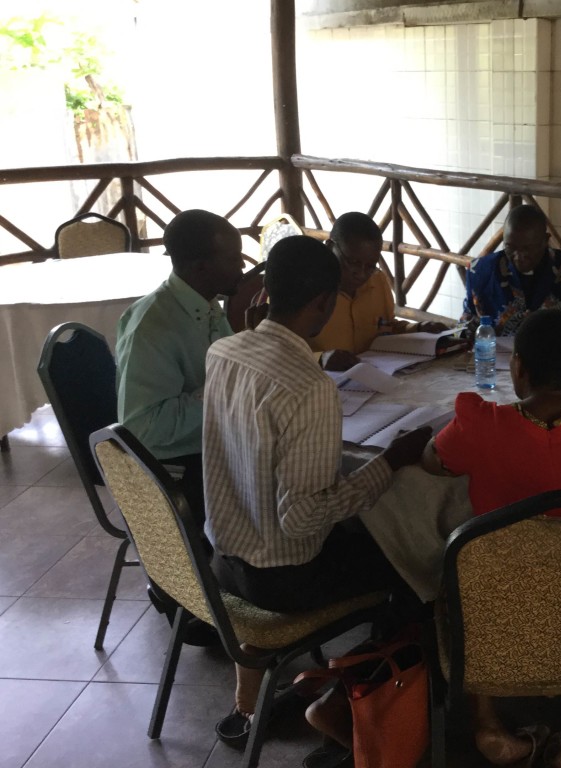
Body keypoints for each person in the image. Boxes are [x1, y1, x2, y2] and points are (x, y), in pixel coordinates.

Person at [202, 235, 432, 749]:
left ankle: (307, 693)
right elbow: (302, 520)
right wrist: (390, 462)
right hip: (282, 577)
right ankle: (360, 714)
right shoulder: (308, 387)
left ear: (265, 289)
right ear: (325, 303)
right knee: (417, 565)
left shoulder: (223, 351)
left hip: (223, 557)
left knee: (370, 537)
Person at [422, 308, 561, 768]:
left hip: (500, 614)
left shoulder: (481, 423)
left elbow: (431, 460)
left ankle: (488, 725)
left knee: (463, 577)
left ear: (517, 367)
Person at [115, 208, 244, 648]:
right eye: (234, 259)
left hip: (209, 450)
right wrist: (222, 392)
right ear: (202, 267)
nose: (242, 267)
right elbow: (142, 427)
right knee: (284, 491)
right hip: (175, 471)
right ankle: (242, 603)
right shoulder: (154, 325)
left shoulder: (206, 307)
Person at [309, 212, 447, 371]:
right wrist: (321, 358)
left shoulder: (377, 281)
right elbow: (279, 346)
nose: (360, 274)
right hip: (321, 383)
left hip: (371, 380)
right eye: (352, 263)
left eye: (370, 266)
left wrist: (418, 328)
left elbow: (387, 328)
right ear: (330, 247)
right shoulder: (307, 289)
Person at [462, 204, 561, 342]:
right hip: (494, 361)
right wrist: (446, 335)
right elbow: (465, 328)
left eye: (527, 248)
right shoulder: (481, 272)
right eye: (510, 247)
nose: (519, 256)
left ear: (545, 241)